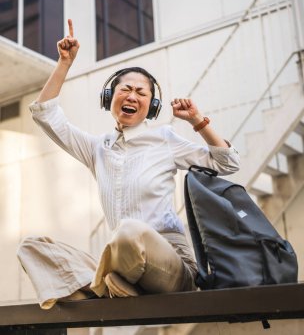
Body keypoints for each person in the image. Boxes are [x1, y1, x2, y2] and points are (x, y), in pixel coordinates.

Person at [17, 20, 240, 309]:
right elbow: (45, 115)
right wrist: (64, 63)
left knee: (128, 232)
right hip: (124, 262)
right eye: (125, 89)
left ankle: (104, 287)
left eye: (141, 92)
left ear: (152, 105)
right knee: (32, 248)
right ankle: (115, 287)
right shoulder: (98, 148)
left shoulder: (164, 139)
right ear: (109, 98)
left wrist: (198, 121)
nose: (132, 96)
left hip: (171, 265)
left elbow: (227, 162)